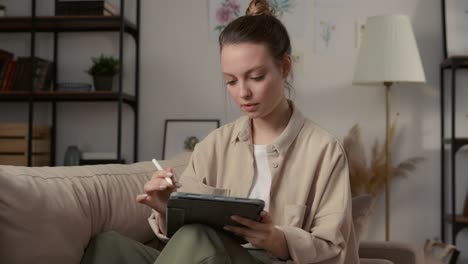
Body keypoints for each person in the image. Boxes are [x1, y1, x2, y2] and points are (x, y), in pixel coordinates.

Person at [81, 0, 359, 263]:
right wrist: (167, 208)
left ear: (284, 67)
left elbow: (334, 248)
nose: (243, 93)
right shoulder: (213, 146)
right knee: (108, 247)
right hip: (203, 257)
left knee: (198, 237)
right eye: (231, 81)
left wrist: (278, 239)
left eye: (256, 77)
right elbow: (182, 239)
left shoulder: (324, 150)